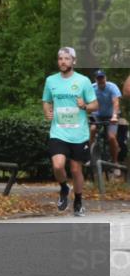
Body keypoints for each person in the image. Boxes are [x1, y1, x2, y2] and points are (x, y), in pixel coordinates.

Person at [42, 48, 98, 216]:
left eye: (67, 58)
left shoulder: (83, 81)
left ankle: (78, 201)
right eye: (60, 58)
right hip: (58, 132)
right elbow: (46, 100)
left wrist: (85, 106)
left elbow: (95, 104)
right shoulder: (51, 80)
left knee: (75, 170)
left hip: (78, 133)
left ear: (74, 61)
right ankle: (64, 188)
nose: (63, 61)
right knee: (58, 165)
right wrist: (47, 111)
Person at [89, 70, 121, 167]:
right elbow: (86, 102)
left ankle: (115, 162)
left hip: (111, 115)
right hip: (97, 115)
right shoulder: (92, 88)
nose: (101, 80)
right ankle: (90, 156)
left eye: (102, 78)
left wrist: (114, 115)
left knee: (111, 137)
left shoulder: (112, 87)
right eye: (98, 78)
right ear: (96, 79)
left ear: (105, 78)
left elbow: (116, 103)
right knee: (92, 129)